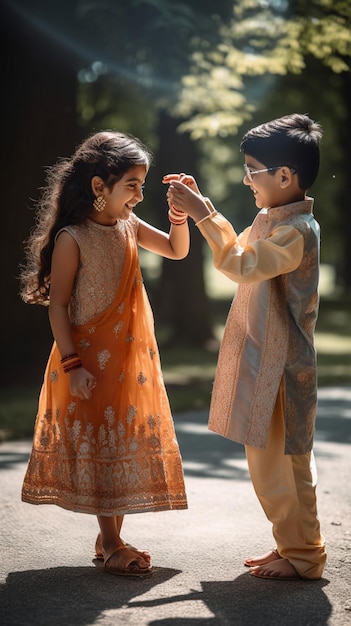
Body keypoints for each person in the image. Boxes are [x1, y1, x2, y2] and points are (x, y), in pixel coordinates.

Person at [164, 113, 327, 580]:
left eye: (252, 169)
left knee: (288, 467)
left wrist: (202, 213)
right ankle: (290, 546)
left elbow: (240, 264)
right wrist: (204, 206)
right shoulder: (271, 219)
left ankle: (307, 556)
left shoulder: (298, 232)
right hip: (266, 362)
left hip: (286, 369)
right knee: (266, 466)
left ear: (284, 176)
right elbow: (239, 251)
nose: (246, 178)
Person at [20, 130, 190, 578]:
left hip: (128, 360)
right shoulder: (72, 238)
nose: (138, 195)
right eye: (131, 184)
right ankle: (113, 542)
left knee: (121, 438)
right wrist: (73, 365)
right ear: (100, 187)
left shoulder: (131, 228)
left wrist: (179, 212)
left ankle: (109, 539)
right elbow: (57, 306)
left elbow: (176, 250)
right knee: (99, 437)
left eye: (142, 185)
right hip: (86, 360)